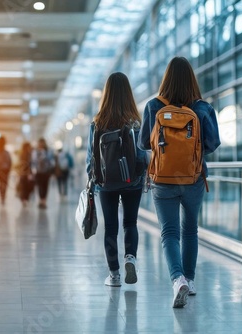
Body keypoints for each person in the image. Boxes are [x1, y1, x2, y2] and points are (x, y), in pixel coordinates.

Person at [137, 56, 221, 308]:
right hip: (194, 178)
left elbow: (142, 143)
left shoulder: (153, 106)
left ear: (166, 79)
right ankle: (191, 281)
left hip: (162, 180)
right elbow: (213, 144)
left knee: (169, 233)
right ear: (192, 79)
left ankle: (178, 280)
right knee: (190, 230)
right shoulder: (203, 108)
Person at [85, 72, 146, 287]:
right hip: (132, 181)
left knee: (111, 226)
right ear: (128, 93)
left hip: (106, 182)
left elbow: (90, 159)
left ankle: (114, 275)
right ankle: (130, 257)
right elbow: (141, 156)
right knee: (130, 222)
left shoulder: (97, 122)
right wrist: (141, 176)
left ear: (106, 94)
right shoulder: (135, 122)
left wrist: (93, 179)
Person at [31, 138, 55, 209]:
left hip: (46, 171)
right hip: (38, 171)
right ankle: (40, 200)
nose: (41, 144)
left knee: (45, 186)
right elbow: (33, 161)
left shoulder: (48, 151)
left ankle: (44, 201)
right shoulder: (35, 151)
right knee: (39, 186)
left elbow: (51, 161)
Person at [16, 141, 35, 207]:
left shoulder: (21, 154)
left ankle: (23, 199)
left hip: (23, 173)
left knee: (24, 187)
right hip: (26, 173)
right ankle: (25, 199)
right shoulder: (28, 154)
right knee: (26, 187)